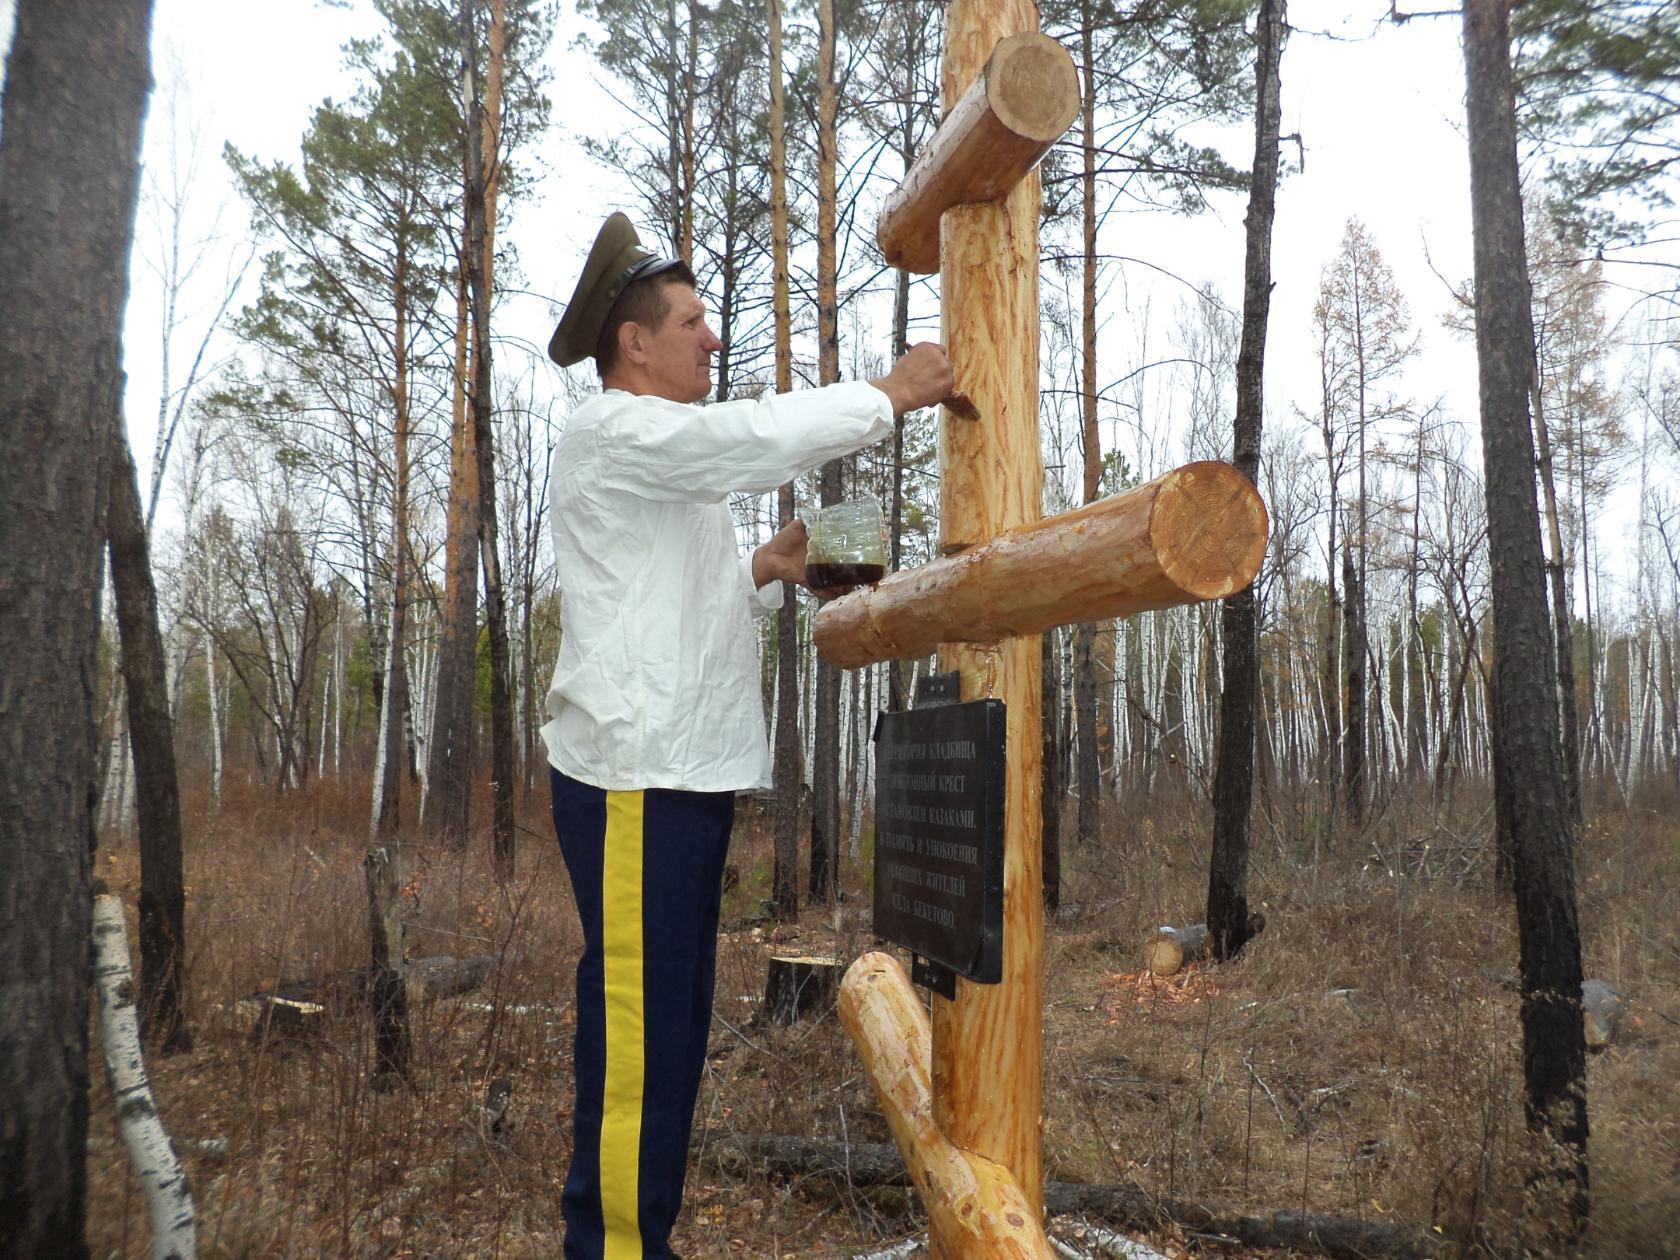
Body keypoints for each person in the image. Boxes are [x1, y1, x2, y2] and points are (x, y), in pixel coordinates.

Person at [541, 212, 952, 1259]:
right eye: (691, 323)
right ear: (634, 343)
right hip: (635, 781)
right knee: (640, 1036)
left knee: (669, 1033)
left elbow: (667, 606)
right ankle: (615, 1250)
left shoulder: (654, 465)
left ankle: (642, 1238)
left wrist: (764, 570)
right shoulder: (616, 432)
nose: (710, 340)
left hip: (679, 780)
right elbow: (746, 437)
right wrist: (888, 395)